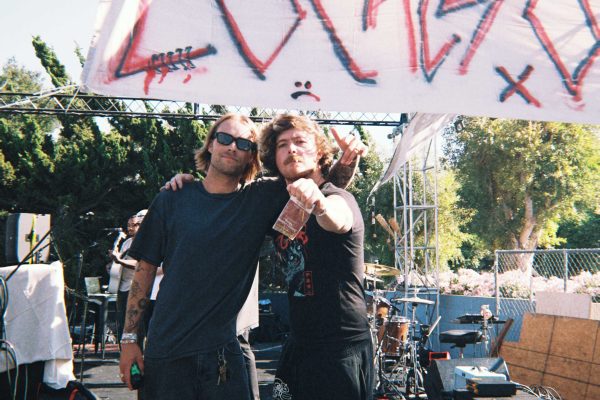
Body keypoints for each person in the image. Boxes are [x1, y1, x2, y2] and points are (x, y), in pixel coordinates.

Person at [118, 113, 365, 399]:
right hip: (167, 352)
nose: (232, 147)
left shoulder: (262, 197)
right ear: (210, 144)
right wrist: (129, 339)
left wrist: (346, 163)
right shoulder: (173, 197)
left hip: (225, 357)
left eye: (244, 144)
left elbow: (320, 191)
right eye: (224, 138)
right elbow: (144, 269)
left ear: (251, 157)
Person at [260, 115, 373, 400]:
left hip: (339, 348)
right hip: (298, 345)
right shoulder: (277, 202)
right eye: (282, 144)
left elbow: (339, 219)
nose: (291, 149)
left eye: (300, 141)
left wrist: (320, 205)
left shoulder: (338, 198)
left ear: (320, 152)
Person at [108, 209, 146, 343]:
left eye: (134, 225)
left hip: (135, 287)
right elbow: (120, 263)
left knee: (135, 324)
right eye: (128, 225)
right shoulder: (126, 243)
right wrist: (112, 266)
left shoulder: (145, 243)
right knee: (122, 322)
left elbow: (140, 265)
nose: (130, 228)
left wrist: (119, 261)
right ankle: (124, 350)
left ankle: (139, 351)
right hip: (122, 287)